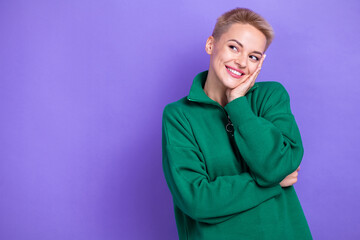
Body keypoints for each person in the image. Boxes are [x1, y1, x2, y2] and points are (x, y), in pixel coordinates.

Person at [162, 7, 312, 240]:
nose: (242, 62)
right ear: (211, 45)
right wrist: (272, 183)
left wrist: (237, 104)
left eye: (253, 56)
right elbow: (196, 200)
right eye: (234, 47)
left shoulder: (270, 96)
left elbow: (279, 164)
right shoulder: (179, 115)